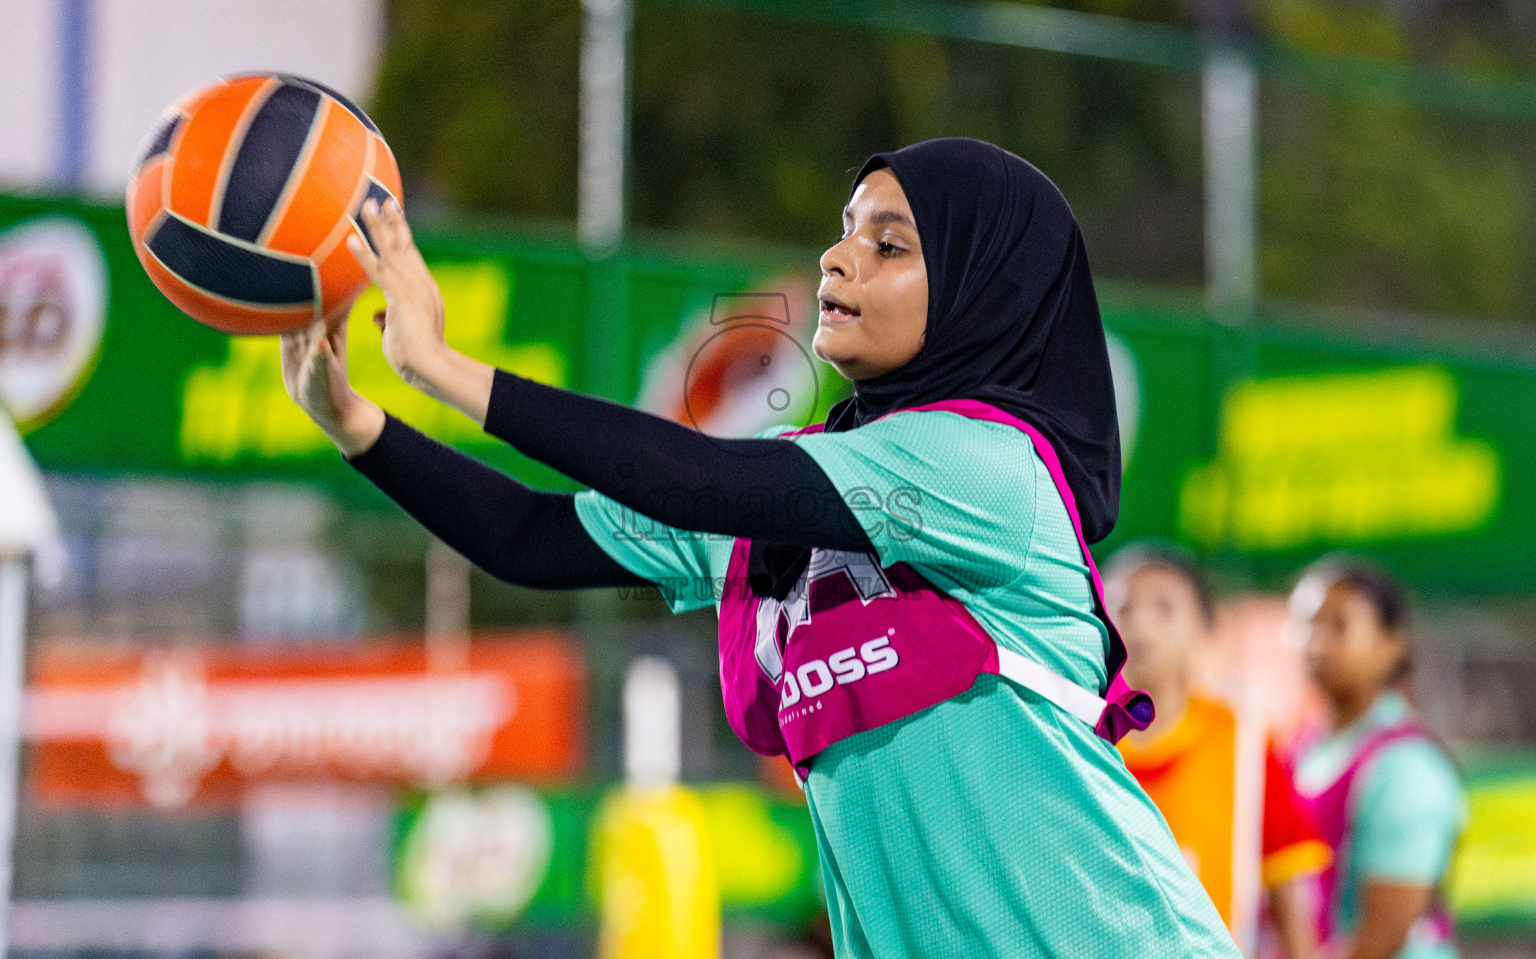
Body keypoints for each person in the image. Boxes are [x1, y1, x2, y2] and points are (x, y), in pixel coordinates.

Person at [280, 137, 1240, 957]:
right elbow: (534, 538)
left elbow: (696, 477)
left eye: (889, 244)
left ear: (983, 291)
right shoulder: (798, 495)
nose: (835, 259)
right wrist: (360, 426)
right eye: (845, 229)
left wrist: (446, 371)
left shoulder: (990, 471)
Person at [1107, 543, 1330, 959]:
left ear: (1205, 629)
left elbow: (1288, 899)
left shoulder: (1245, 745)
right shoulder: (1079, 740)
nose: (1139, 625)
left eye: (1163, 608)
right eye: (1122, 607)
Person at [1289, 560, 1465, 959]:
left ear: (1392, 643)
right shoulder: (1304, 747)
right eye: (1305, 624)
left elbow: (1381, 938)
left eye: (1339, 625)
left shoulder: (1407, 765)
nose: (1315, 642)